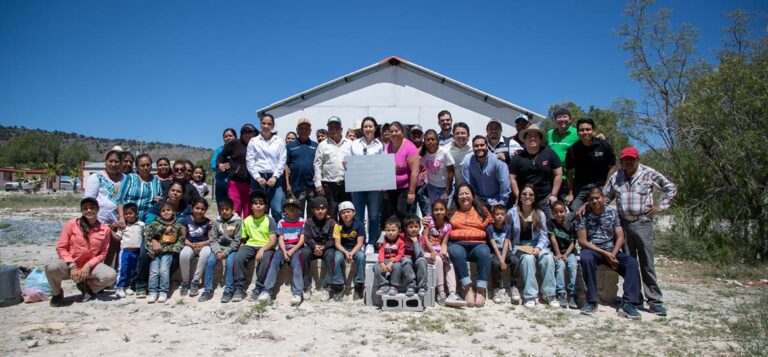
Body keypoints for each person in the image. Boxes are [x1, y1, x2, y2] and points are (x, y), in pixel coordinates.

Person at [604, 147, 676, 316]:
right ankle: (635, 298)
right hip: (623, 224)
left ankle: (655, 301)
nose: (628, 162)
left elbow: (671, 188)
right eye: (625, 159)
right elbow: (605, 197)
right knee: (630, 263)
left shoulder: (648, 173)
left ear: (637, 159)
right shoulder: (617, 177)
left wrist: (661, 207)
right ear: (621, 160)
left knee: (647, 262)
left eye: (632, 158)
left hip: (643, 222)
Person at [576, 187, 642, 319]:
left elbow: (620, 236)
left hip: (612, 249)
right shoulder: (583, 214)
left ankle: (629, 303)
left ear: (604, 198)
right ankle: (592, 301)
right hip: (593, 249)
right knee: (585, 258)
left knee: (632, 263)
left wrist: (613, 253)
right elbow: (583, 241)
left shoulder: (613, 212)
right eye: (591, 199)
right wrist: (606, 255)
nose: (595, 201)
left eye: (597, 198)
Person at [47, 198, 117, 307]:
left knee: (111, 276)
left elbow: (103, 253)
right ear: (81, 210)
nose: (89, 211)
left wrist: (88, 265)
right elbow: (61, 247)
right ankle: (57, 294)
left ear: (98, 209)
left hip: (89, 266)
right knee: (51, 268)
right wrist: (72, 266)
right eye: (85, 208)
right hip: (69, 264)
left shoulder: (105, 229)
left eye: (92, 208)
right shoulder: (72, 224)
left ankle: (86, 286)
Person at [134, 181, 190, 297]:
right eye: (173, 190)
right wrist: (154, 240)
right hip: (155, 238)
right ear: (168, 192)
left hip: (173, 240)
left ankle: (162, 284)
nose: (175, 193)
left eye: (178, 191)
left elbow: (186, 225)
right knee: (145, 253)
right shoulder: (159, 205)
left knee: (175, 255)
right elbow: (149, 226)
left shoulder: (185, 208)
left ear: (182, 194)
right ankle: (141, 284)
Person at [447, 183, 493, 308]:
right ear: (457, 197)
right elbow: (438, 221)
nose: (464, 196)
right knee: (455, 252)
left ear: (473, 196)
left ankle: (480, 290)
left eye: (467, 193)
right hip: (457, 243)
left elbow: (494, 224)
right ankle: (467, 288)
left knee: (484, 252)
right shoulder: (451, 212)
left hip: (478, 244)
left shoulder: (482, 210)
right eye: (461, 194)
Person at [346, 116, 385, 251]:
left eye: (370, 126)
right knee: (358, 216)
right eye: (365, 126)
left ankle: (371, 242)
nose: (368, 129)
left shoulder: (380, 145)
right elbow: (348, 161)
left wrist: (383, 182)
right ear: (362, 129)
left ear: (375, 128)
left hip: (374, 186)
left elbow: (382, 166)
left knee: (374, 215)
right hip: (358, 184)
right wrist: (346, 163)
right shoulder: (355, 143)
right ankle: (360, 242)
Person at [508, 124, 562, 219]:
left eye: (535, 136)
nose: (532, 138)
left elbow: (558, 173)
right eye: (529, 136)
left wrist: (554, 195)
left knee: (551, 223)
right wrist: (518, 196)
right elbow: (512, 178)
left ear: (540, 139)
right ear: (524, 139)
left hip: (546, 198)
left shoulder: (550, 153)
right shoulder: (518, 158)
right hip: (526, 198)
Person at [231, 190, 277, 302]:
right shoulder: (247, 220)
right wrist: (240, 247)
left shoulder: (270, 220)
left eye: (261, 204)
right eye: (255, 204)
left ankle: (259, 288)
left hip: (266, 246)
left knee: (265, 260)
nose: (258, 206)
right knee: (239, 257)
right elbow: (244, 238)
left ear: (265, 206)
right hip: (250, 245)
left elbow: (272, 241)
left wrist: (262, 249)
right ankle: (239, 288)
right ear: (251, 206)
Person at [261, 198, 305, 305]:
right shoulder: (282, 222)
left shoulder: (302, 221)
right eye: (289, 207)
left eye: (294, 207)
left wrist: (292, 251)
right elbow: (280, 238)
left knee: (297, 264)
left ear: (298, 209)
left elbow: (302, 239)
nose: (291, 209)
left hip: (296, 248)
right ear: (285, 209)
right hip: (283, 248)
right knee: (274, 262)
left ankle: (297, 293)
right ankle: (267, 291)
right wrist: (284, 251)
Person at [565, 118, 616, 211]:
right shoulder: (573, 149)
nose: (585, 132)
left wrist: (606, 187)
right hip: (581, 188)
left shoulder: (604, 145)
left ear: (593, 130)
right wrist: (570, 193)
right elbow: (569, 173)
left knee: (599, 211)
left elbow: (612, 167)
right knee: (574, 211)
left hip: (600, 187)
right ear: (577, 132)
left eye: (588, 129)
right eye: (581, 130)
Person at [84, 150, 124, 267]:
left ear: (121, 163)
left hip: (119, 223)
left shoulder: (125, 178)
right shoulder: (96, 177)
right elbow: (89, 201)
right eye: (110, 161)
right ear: (105, 162)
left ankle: (109, 278)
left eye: (116, 161)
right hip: (99, 224)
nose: (113, 164)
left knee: (113, 252)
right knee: (97, 252)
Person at [247, 114, 287, 222]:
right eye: (264, 123)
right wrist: (257, 177)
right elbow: (250, 161)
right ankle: (260, 234)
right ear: (260, 124)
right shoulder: (253, 141)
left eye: (269, 124)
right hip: (258, 178)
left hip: (275, 178)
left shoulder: (279, 140)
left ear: (273, 126)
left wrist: (275, 177)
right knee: (260, 209)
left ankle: (279, 235)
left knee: (277, 209)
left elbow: (282, 160)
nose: (266, 126)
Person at [145, 200, 186, 304]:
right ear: (160, 213)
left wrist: (175, 249)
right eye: (163, 210)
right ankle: (153, 292)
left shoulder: (177, 225)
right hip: (155, 253)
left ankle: (163, 291)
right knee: (154, 271)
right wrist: (151, 250)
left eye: (168, 210)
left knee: (164, 270)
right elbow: (148, 238)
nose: (166, 212)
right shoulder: (155, 224)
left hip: (168, 252)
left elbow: (181, 239)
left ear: (173, 212)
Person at [421, 199, 460, 306]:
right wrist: (433, 251)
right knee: (438, 260)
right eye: (436, 210)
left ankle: (452, 292)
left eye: (441, 209)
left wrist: (443, 253)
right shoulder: (429, 221)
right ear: (432, 211)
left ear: (446, 211)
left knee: (448, 261)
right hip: (426, 251)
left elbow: (444, 243)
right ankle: (441, 292)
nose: (439, 212)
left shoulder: (448, 226)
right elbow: (425, 237)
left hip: (438, 250)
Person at [204, 198, 242, 303]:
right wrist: (217, 251)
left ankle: (228, 290)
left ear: (232, 210)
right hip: (218, 248)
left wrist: (226, 252)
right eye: (222, 209)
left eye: (227, 209)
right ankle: (208, 289)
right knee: (210, 261)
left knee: (230, 263)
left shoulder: (238, 222)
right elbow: (213, 239)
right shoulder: (217, 222)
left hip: (231, 249)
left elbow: (237, 241)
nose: (224, 211)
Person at [313, 116, 352, 218]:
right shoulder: (322, 145)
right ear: (328, 130)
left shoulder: (350, 144)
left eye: (336, 127)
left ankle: (345, 234)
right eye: (331, 127)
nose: (334, 129)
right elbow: (317, 164)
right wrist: (318, 183)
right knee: (331, 213)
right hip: (329, 185)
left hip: (346, 184)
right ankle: (333, 234)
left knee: (346, 213)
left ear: (341, 129)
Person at [218, 124, 258, 218]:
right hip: (234, 183)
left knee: (249, 212)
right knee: (236, 210)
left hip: (251, 183)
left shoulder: (258, 145)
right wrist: (220, 164)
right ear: (241, 134)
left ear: (254, 134)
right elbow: (221, 155)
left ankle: (247, 232)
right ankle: (234, 232)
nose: (247, 135)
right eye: (245, 133)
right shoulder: (234, 143)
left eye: (250, 133)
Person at [331, 201, 366, 301]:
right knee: (337, 258)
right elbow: (337, 243)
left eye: (348, 211)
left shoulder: (359, 224)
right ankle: (338, 286)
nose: (346, 214)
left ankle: (359, 285)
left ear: (353, 212)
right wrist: (346, 252)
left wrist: (351, 253)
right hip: (342, 249)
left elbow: (360, 243)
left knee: (361, 257)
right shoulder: (337, 226)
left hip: (355, 248)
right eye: (343, 212)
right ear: (340, 215)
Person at [462, 136, 511, 207]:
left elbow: (505, 185)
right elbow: (469, 185)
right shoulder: (467, 162)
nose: (479, 148)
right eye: (476, 146)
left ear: (487, 146)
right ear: (473, 148)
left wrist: (500, 204)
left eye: (482, 145)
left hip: (496, 201)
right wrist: (476, 202)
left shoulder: (498, 161)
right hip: (478, 201)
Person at [385, 121, 420, 221]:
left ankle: (408, 235)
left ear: (402, 132)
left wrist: (412, 192)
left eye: (396, 131)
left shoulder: (410, 147)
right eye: (391, 131)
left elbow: (415, 172)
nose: (394, 133)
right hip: (391, 188)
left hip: (406, 188)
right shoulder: (386, 147)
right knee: (392, 216)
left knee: (402, 212)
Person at [302, 196, 336, 301]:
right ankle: (306, 286)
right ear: (312, 210)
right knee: (304, 253)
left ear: (327, 209)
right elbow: (307, 238)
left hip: (327, 247)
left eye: (322, 209)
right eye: (317, 209)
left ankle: (326, 287)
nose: (320, 211)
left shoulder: (332, 223)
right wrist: (314, 246)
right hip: (313, 247)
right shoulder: (308, 222)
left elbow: (333, 239)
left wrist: (324, 247)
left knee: (331, 255)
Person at [179, 198, 213, 298]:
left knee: (206, 253)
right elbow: (182, 237)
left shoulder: (208, 222)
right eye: (197, 208)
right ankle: (185, 281)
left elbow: (211, 239)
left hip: (203, 245)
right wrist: (191, 245)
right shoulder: (186, 220)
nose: (199, 211)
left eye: (202, 209)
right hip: (189, 244)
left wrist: (202, 244)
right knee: (184, 255)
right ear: (192, 208)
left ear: (205, 210)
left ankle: (195, 280)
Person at [285, 118, 318, 217]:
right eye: (301, 128)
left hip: (312, 187)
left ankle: (310, 233)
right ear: (297, 130)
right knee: (296, 215)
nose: (304, 131)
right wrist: (287, 185)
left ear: (310, 131)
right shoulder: (290, 146)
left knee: (313, 216)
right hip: (296, 187)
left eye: (306, 128)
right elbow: (285, 165)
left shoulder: (316, 146)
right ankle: (298, 233)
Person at [117, 153, 163, 226]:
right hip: (128, 221)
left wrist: (159, 199)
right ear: (137, 167)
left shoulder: (155, 180)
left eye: (148, 165)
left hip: (148, 223)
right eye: (142, 165)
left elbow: (160, 200)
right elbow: (120, 199)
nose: (145, 168)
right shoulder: (130, 178)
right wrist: (121, 217)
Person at [487, 204, 519, 305]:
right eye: (497, 214)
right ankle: (496, 288)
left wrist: (504, 258)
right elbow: (493, 245)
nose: (499, 216)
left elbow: (506, 243)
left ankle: (514, 285)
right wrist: (501, 261)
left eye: (502, 214)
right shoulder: (490, 228)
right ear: (492, 215)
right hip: (494, 252)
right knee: (495, 263)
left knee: (515, 260)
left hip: (505, 251)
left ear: (505, 215)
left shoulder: (507, 228)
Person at [548, 201, 578, 309]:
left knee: (573, 265)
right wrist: (558, 253)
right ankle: (560, 292)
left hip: (569, 252)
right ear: (552, 213)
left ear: (565, 211)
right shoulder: (550, 223)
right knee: (560, 265)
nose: (559, 214)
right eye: (556, 212)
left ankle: (572, 293)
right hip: (557, 252)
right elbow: (553, 239)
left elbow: (573, 242)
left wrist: (566, 254)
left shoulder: (571, 224)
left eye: (561, 211)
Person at [547, 108, 579, 200]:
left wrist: (599, 136)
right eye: (559, 117)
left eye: (565, 117)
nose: (562, 119)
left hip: (570, 181)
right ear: (555, 120)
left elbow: (589, 139)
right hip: (552, 180)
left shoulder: (577, 133)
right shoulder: (549, 134)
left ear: (570, 119)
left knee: (567, 209)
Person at [419, 129, 455, 213]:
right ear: (425, 142)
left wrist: (446, 191)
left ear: (437, 140)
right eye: (428, 140)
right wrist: (422, 181)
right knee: (435, 211)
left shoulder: (444, 152)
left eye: (433, 139)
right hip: (432, 187)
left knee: (444, 211)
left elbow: (451, 172)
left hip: (445, 188)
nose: (430, 142)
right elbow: (419, 168)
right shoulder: (423, 154)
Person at [115, 203, 144, 298]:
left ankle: (127, 286)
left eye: (130, 213)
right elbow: (118, 238)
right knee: (123, 270)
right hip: (125, 252)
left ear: (136, 213)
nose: (128, 216)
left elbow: (146, 235)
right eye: (126, 214)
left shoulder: (141, 225)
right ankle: (119, 287)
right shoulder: (123, 226)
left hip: (136, 252)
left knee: (132, 270)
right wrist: (110, 230)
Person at [375, 216, 405, 296]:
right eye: (388, 230)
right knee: (376, 266)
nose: (390, 232)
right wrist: (381, 263)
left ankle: (394, 286)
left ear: (399, 231)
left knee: (398, 266)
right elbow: (381, 252)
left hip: (395, 261)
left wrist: (392, 262)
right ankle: (384, 285)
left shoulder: (401, 242)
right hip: (385, 260)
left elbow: (400, 254)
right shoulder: (383, 240)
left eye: (393, 230)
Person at [401, 215, 428, 297]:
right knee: (406, 260)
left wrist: (416, 243)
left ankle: (422, 287)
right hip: (406, 260)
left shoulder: (422, 239)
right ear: (406, 228)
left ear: (420, 227)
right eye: (411, 227)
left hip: (417, 260)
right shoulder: (402, 237)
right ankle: (411, 285)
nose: (414, 229)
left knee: (422, 261)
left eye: (416, 226)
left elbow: (419, 255)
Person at [211, 128, 237, 205]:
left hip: (235, 185)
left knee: (234, 209)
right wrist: (219, 166)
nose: (228, 138)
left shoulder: (240, 150)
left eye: (230, 136)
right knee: (222, 208)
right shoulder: (219, 150)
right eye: (225, 136)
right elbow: (213, 164)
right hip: (221, 185)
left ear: (235, 137)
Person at [445, 122, 473, 191]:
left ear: (468, 135)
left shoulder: (475, 148)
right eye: (457, 133)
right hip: (452, 188)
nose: (460, 136)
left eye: (463, 133)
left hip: (472, 188)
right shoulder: (446, 150)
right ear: (453, 136)